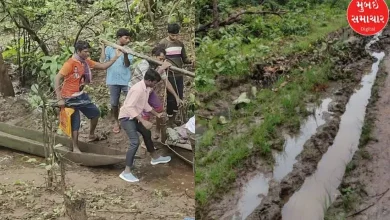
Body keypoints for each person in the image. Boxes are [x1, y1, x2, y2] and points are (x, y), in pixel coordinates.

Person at [55, 40, 123, 153]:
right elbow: (57, 78)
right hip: (69, 98)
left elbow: (102, 66)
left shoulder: (85, 62)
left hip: (81, 96)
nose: (88, 54)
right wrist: (59, 98)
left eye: (88, 51)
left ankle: (91, 135)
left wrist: (115, 57)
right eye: (85, 51)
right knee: (75, 122)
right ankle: (75, 147)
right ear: (78, 51)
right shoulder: (70, 63)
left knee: (95, 113)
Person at [118, 69, 171, 182]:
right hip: (126, 118)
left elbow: (144, 104)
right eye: (154, 82)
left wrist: (157, 114)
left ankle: (155, 158)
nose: (155, 84)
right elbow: (129, 107)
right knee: (135, 142)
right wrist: (142, 120)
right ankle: (126, 172)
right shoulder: (137, 89)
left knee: (147, 133)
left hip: (134, 117)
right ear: (148, 80)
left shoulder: (146, 89)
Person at [130, 45, 183, 139]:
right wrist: (162, 68)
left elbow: (167, 82)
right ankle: (144, 140)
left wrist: (176, 97)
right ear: (153, 56)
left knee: (159, 110)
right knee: (145, 115)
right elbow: (148, 79)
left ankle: (157, 131)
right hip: (138, 92)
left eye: (163, 59)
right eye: (160, 58)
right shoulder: (144, 64)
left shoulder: (159, 66)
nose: (162, 61)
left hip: (149, 91)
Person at [100, 28, 134, 134]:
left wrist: (125, 54)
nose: (128, 40)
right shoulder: (110, 49)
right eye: (126, 37)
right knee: (114, 103)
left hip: (125, 80)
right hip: (113, 80)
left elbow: (127, 64)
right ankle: (116, 122)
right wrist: (103, 48)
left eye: (129, 38)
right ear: (119, 38)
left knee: (131, 100)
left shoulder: (129, 50)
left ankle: (131, 120)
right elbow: (102, 61)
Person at [159, 23, 193, 127]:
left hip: (179, 74)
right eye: (172, 35)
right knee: (171, 98)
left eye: (176, 35)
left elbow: (184, 58)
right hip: (169, 74)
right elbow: (159, 58)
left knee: (179, 96)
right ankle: (170, 120)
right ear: (168, 33)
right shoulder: (163, 43)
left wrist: (191, 61)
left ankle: (173, 118)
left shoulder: (180, 44)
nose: (174, 37)